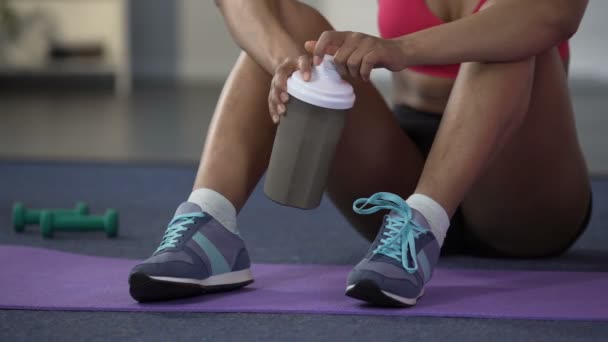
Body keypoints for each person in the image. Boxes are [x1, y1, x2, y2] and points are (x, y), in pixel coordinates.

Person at [129, 0, 592, 307]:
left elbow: (553, 14)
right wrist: (285, 63)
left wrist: (400, 49)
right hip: (401, 180)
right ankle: (209, 227)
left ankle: (425, 222)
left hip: (520, 190)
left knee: (509, 34)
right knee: (289, 27)